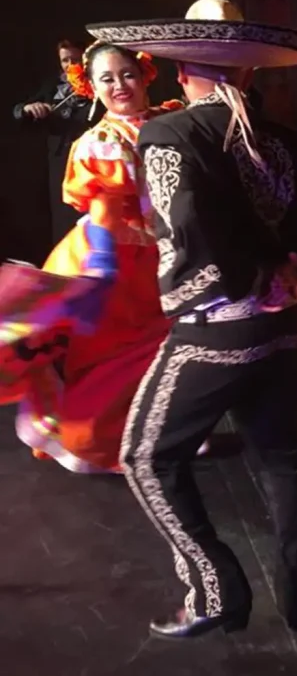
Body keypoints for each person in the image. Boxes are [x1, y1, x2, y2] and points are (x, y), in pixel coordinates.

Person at [91, 0, 297, 638]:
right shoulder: (286, 140)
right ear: (247, 73)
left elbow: (190, 226)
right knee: (282, 457)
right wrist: (295, 264)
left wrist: (237, 279)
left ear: (184, 70)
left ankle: (214, 591)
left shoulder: (171, 133)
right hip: (282, 324)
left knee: (145, 458)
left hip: (218, 325)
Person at [0, 42, 182, 474]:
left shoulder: (172, 119)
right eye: (107, 78)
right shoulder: (100, 141)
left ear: (145, 75)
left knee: (169, 352)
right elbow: (104, 210)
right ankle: (102, 441)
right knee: (115, 358)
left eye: (127, 74)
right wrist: (101, 268)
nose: (120, 85)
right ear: (92, 87)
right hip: (119, 259)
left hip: (171, 251)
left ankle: (165, 433)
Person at [13, 39, 99, 247]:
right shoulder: (54, 84)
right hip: (60, 161)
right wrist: (28, 109)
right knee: (63, 221)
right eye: (65, 60)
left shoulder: (99, 83)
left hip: (92, 161)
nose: (70, 66)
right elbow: (21, 110)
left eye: (76, 60)